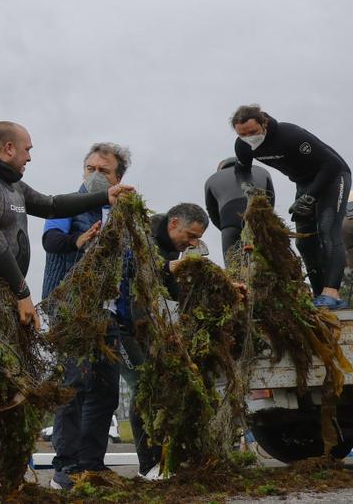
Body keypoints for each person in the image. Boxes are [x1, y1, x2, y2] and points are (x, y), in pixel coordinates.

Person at [0, 122, 133, 331]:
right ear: (9, 148)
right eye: (27, 149)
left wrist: (104, 196)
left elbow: (51, 205)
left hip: (2, 298)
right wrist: (23, 292)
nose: (29, 157)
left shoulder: (14, 186)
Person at [40, 143, 132, 489]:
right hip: (71, 308)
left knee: (105, 391)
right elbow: (51, 238)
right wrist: (78, 240)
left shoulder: (123, 214)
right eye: (90, 168)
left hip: (108, 312)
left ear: (118, 178)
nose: (94, 175)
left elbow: (132, 263)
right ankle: (66, 468)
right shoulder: (69, 202)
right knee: (74, 386)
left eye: (103, 171)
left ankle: (93, 464)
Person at [230, 104, 351, 308]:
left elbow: (332, 164)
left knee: (327, 229)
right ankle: (319, 295)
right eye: (243, 134)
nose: (249, 138)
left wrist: (310, 197)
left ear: (264, 123)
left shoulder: (290, 134)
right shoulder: (242, 145)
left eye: (253, 132)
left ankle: (332, 292)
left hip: (333, 177)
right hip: (303, 183)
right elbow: (241, 170)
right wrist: (247, 186)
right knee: (304, 241)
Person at [122, 201, 209, 479]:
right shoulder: (142, 235)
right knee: (143, 386)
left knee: (158, 387)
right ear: (173, 224)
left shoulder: (172, 247)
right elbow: (138, 272)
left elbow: (170, 289)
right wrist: (170, 267)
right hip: (119, 324)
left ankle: (164, 460)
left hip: (146, 325)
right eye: (191, 236)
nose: (192, 243)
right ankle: (148, 466)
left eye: (198, 238)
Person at [205, 157, 275, 260]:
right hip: (260, 218)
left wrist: (226, 228)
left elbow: (212, 212)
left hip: (229, 220)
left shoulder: (211, 180)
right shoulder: (262, 171)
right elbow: (271, 199)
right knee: (271, 262)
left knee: (233, 268)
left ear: (220, 169)